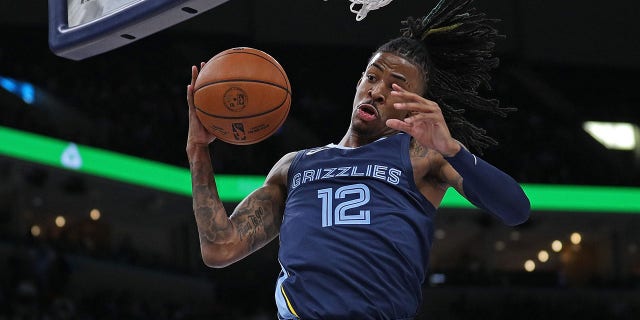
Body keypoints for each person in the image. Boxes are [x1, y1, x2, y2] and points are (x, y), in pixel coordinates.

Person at [185, 0, 530, 318]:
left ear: (415, 103)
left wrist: (454, 148)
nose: (377, 91)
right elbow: (220, 248)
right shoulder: (295, 166)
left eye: (396, 87)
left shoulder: (422, 157)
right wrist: (199, 151)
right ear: (358, 82)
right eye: (372, 76)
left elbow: (516, 210)